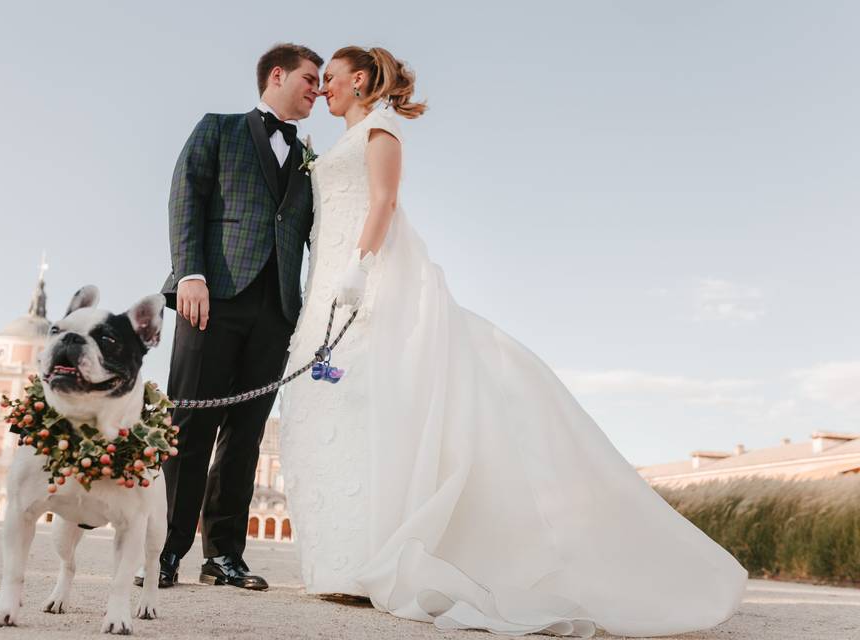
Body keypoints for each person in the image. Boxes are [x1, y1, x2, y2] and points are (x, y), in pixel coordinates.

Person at [277, 45, 747, 637]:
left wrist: (360, 266)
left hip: (364, 280)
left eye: (334, 80)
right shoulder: (335, 142)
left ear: (361, 79)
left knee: (378, 408)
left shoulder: (380, 130)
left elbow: (384, 202)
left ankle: (368, 559)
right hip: (326, 283)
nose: (325, 90)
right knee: (334, 410)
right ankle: (335, 562)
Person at [147, 43, 321, 591]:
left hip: (277, 312)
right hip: (212, 297)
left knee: (246, 436)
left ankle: (224, 556)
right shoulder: (217, 128)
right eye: (311, 79)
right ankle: (165, 551)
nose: (319, 89)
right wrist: (189, 273)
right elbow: (186, 199)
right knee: (190, 423)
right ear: (277, 74)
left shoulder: (308, 158)